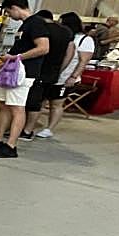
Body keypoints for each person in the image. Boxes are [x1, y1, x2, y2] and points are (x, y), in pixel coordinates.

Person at [0, 0, 50, 159]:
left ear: (15, 8)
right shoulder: (25, 25)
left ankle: (11, 145)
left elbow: (43, 48)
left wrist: (17, 57)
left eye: (8, 12)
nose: (9, 16)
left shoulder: (36, 23)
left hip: (23, 73)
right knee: (3, 105)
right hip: (11, 71)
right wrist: (0, 63)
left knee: (17, 108)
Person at [35, 12, 95, 138]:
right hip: (50, 76)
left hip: (65, 77)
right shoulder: (64, 36)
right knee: (40, 101)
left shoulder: (85, 40)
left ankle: (49, 128)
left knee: (56, 104)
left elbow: (84, 61)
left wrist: (73, 77)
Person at [23, 11, 72, 141]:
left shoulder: (43, 30)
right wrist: (59, 69)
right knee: (41, 101)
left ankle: (27, 131)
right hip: (53, 73)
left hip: (39, 71)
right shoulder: (66, 32)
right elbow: (70, 53)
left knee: (33, 103)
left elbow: (40, 49)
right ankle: (27, 129)